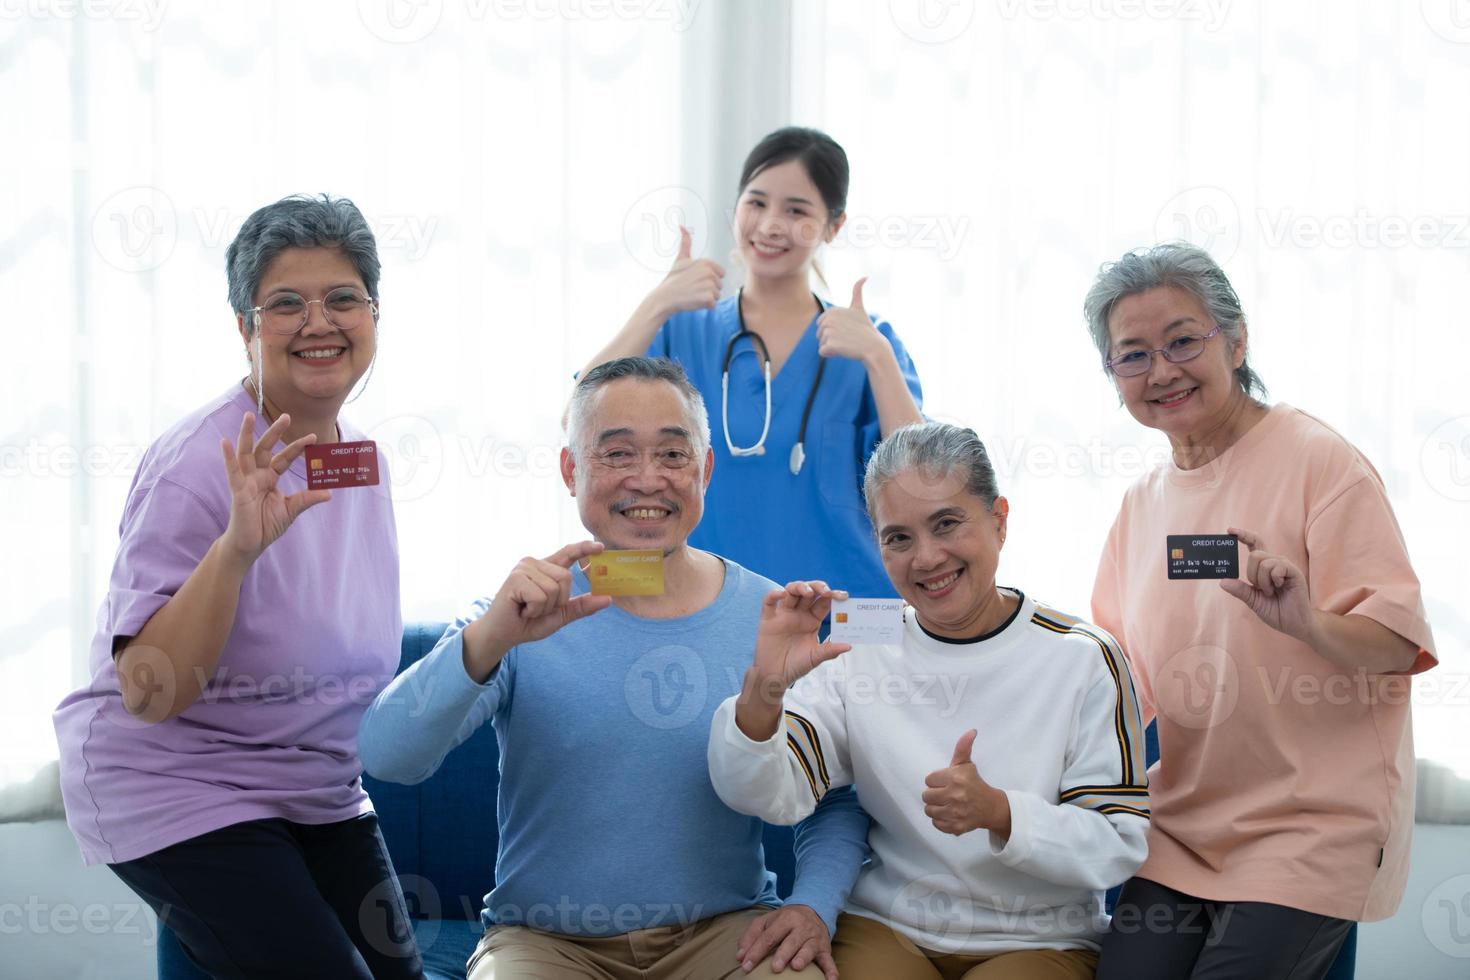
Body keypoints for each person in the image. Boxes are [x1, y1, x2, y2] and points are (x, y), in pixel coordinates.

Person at [358, 357, 870, 980]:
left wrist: (812, 906)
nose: (648, 479)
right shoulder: (518, 613)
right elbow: (386, 756)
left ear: (705, 469)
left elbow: (835, 797)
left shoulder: (769, 619)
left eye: (674, 456)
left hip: (727, 935)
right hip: (546, 942)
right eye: (618, 453)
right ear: (571, 470)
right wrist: (492, 635)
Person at [52, 195, 423, 978]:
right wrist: (234, 552)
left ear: (375, 315)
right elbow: (149, 693)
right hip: (180, 783)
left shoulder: (365, 461)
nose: (318, 322)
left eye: (343, 299)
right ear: (246, 329)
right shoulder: (196, 463)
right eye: (285, 304)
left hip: (315, 785)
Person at [1082, 243, 1438, 980]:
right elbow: (1116, 678)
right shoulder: (1143, 504)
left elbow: (1397, 644)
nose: (1163, 371)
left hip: (1309, 831)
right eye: (1133, 356)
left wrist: (1309, 623)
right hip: (1182, 829)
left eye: (1183, 341)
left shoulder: (1318, 462)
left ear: (1235, 340)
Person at [708, 421, 1150, 980]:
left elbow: (1118, 842)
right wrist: (767, 688)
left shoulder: (1084, 656)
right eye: (899, 538)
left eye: (946, 524)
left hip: (1040, 938)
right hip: (888, 926)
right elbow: (769, 797)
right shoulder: (863, 639)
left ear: (999, 520)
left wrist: (1000, 813)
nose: (927, 558)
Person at [582, 126, 924, 599]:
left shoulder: (870, 344)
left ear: (833, 225)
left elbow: (925, 482)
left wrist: (879, 360)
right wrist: (656, 304)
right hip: (701, 610)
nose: (769, 225)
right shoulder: (682, 329)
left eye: (797, 210)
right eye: (756, 202)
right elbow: (577, 417)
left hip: (847, 612)